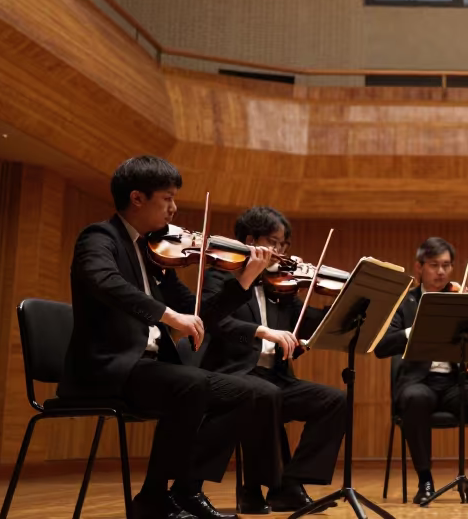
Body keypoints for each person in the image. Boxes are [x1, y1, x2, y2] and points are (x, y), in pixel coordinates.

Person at [58, 155, 273, 519]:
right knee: (190, 384)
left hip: (149, 369)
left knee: (251, 393)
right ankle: (153, 498)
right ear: (137, 198)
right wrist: (167, 314)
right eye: (167, 198)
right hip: (107, 367)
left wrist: (244, 280)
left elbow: (199, 313)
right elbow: (103, 281)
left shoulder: (154, 253)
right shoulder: (99, 238)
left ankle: (186, 490)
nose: (174, 208)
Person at [199, 206, 345, 514]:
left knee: (335, 400)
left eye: (284, 245)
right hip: (232, 374)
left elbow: (308, 321)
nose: (280, 251)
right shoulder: (220, 275)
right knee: (266, 396)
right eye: (274, 242)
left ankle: (291, 481)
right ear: (251, 240)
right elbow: (215, 321)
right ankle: (267, 488)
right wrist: (261, 332)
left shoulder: (281, 286)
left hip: (276, 377)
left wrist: (343, 304)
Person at [373, 237, 468, 506]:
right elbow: (381, 346)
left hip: (454, 383)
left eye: (446, 265)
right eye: (434, 265)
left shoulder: (458, 300)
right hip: (417, 382)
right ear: (419, 267)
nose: (441, 272)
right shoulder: (404, 302)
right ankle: (425, 481)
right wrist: (414, 330)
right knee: (416, 399)